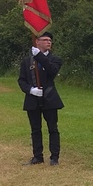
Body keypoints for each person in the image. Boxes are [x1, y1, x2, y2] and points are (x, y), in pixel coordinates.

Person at [17, 32, 64, 166]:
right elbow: (21, 80)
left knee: (53, 128)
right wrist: (30, 90)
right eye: (45, 40)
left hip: (49, 97)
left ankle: (54, 157)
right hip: (33, 98)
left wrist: (39, 56)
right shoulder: (27, 61)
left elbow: (51, 70)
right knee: (35, 129)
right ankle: (37, 156)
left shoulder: (55, 59)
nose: (49, 42)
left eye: (50, 40)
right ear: (37, 42)